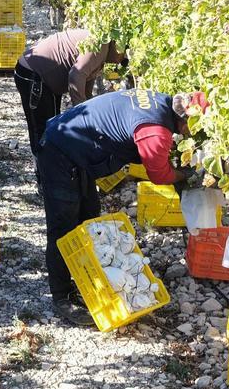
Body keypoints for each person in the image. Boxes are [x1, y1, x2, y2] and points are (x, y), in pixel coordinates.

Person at [37, 89, 208, 326]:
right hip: (60, 152)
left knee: (88, 216)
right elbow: (159, 175)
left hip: (75, 145)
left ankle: (86, 277)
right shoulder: (155, 131)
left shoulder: (160, 101)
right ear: (186, 121)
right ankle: (61, 296)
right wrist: (185, 176)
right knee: (63, 226)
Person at [13, 29, 127, 155]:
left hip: (47, 79)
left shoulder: (102, 49)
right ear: (119, 45)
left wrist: (92, 113)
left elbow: (86, 84)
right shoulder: (100, 46)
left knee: (53, 127)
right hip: (33, 74)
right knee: (42, 131)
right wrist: (82, 116)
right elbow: (76, 76)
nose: (119, 62)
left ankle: (53, 167)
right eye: (123, 58)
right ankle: (44, 171)